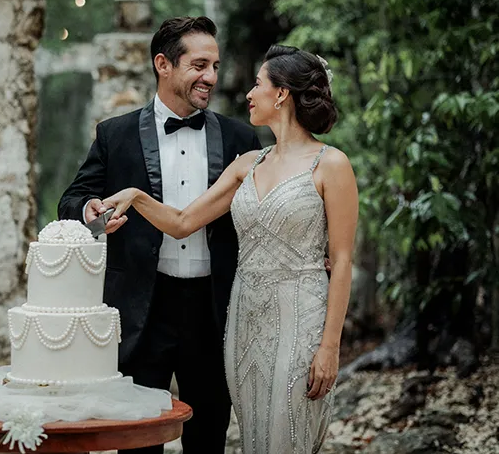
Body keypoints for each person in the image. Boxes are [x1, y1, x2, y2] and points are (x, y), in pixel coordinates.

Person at [102, 45, 358, 453]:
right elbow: (183, 222)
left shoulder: (332, 164)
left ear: (281, 94)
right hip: (243, 322)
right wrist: (136, 196)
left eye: (257, 84)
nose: (248, 94)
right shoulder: (247, 164)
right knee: (254, 435)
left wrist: (330, 347)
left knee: (289, 434)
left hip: (300, 318)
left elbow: (342, 261)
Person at [57, 17, 261, 453]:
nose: (211, 77)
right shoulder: (115, 134)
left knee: (208, 439)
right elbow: (72, 199)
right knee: (137, 440)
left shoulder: (241, 137)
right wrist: (91, 210)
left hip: (213, 310)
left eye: (215, 66)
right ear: (163, 64)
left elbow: (266, 210)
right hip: (141, 310)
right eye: (199, 65)